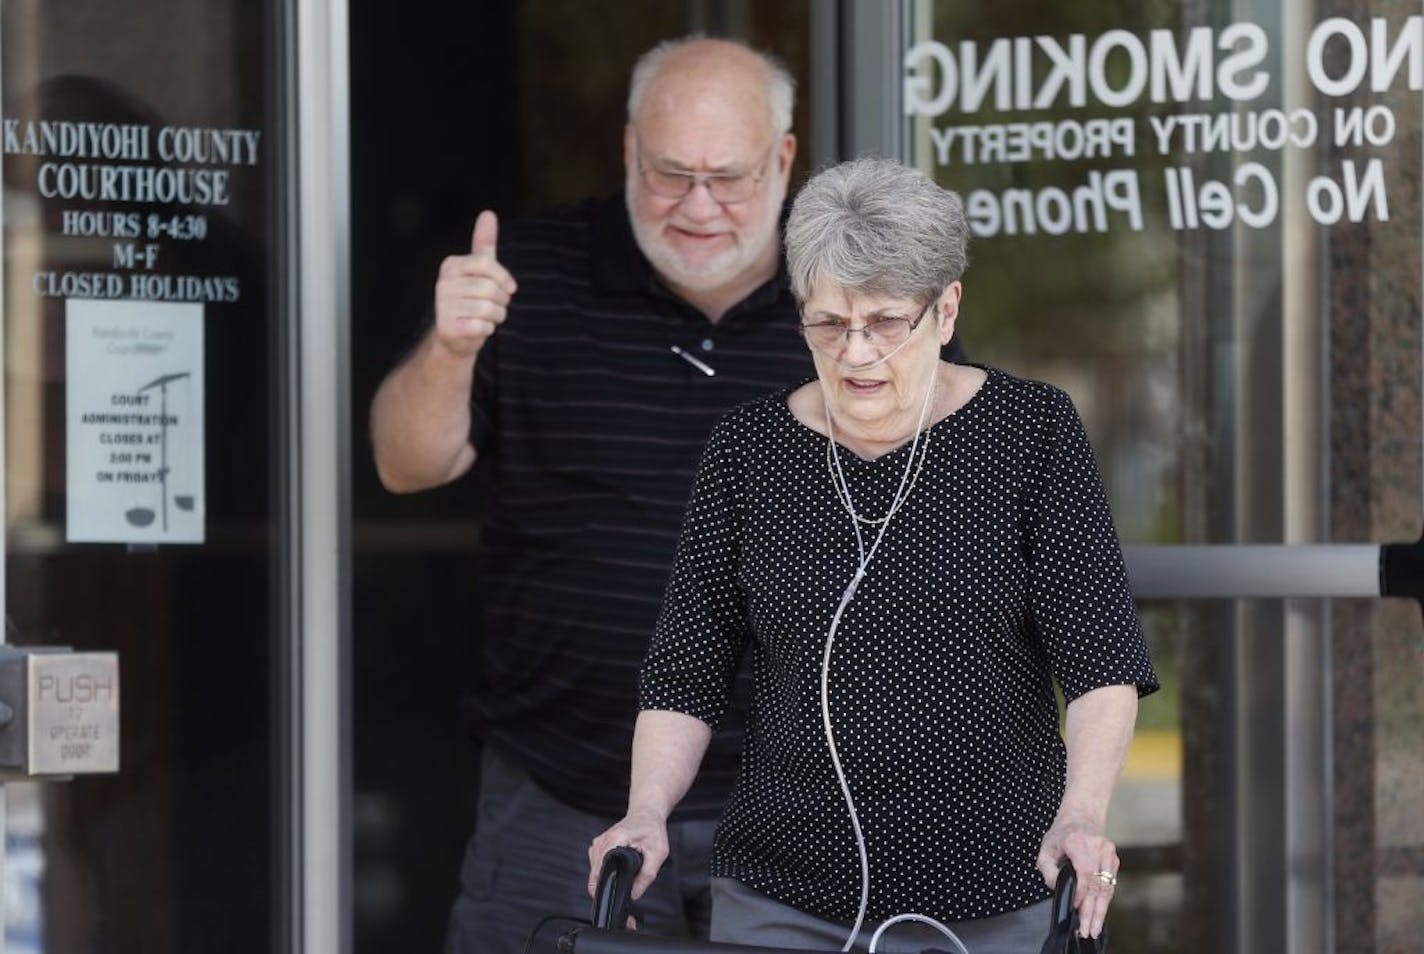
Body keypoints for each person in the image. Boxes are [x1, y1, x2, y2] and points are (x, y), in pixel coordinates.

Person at [588, 156, 1159, 954]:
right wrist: (646, 811)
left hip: (997, 890)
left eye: (885, 322)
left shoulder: (1031, 433)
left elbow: (1102, 662)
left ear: (946, 308)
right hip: (783, 895)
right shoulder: (748, 451)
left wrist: (1082, 816)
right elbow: (686, 668)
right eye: (828, 323)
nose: (855, 354)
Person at [371, 35, 841, 954]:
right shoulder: (530, 275)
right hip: (564, 797)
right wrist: (454, 345)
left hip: (805, 811)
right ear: (628, 151)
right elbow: (406, 463)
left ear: (784, 161)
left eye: (730, 177)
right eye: (671, 173)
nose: (699, 207)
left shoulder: (851, 302)